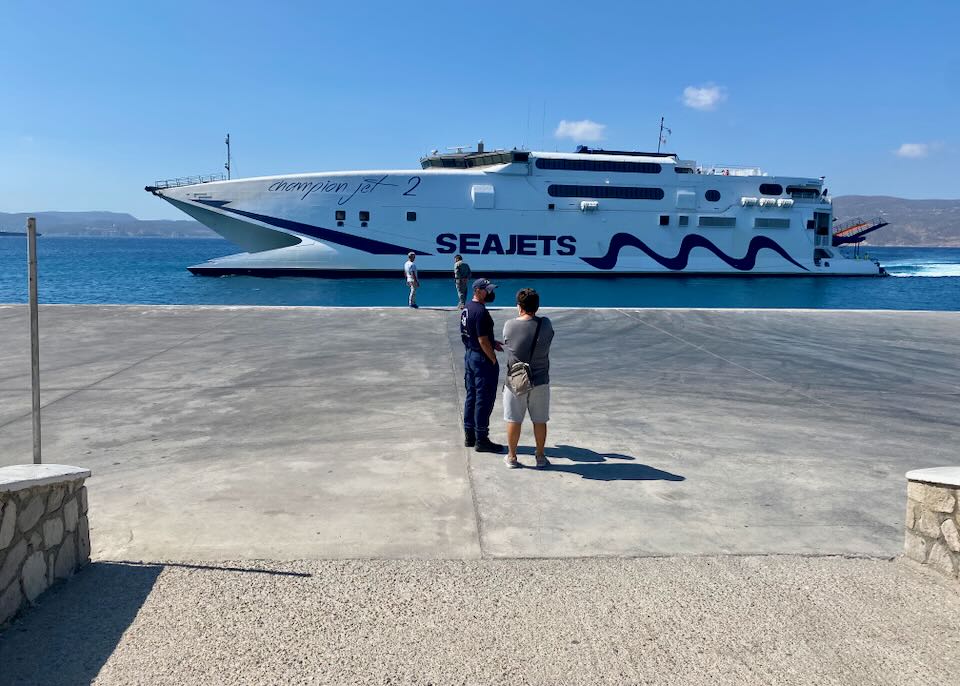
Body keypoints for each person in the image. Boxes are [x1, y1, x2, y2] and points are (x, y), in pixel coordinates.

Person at [502, 288, 554, 469]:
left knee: (514, 419)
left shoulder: (509, 325)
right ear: (537, 307)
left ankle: (512, 457)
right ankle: (540, 456)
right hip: (540, 380)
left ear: (520, 306)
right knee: (540, 420)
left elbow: (509, 343)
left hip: (516, 381)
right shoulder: (546, 324)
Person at [460, 278, 504, 453]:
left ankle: (469, 435)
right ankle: (482, 438)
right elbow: (482, 339)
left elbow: (471, 334)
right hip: (481, 359)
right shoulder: (481, 312)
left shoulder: (467, 308)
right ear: (478, 290)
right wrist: (492, 357)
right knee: (483, 399)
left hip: (470, 355)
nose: (491, 293)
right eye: (488, 290)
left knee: (471, 396)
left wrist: (492, 342)